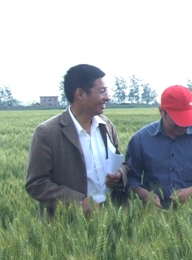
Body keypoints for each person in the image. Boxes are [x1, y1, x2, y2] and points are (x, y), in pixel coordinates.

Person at [25, 64, 129, 217]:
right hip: (67, 224)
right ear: (80, 94)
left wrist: (119, 175)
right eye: (102, 91)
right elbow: (36, 184)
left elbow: (121, 164)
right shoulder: (47, 133)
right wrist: (79, 202)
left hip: (108, 218)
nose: (107, 97)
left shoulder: (107, 126)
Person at [125, 85, 192, 209]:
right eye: (178, 120)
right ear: (162, 112)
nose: (183, 125)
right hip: (154, 214)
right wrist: (144, 194)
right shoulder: (141, 139)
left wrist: (191, 192)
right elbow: (130, 178)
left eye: (187, 118)